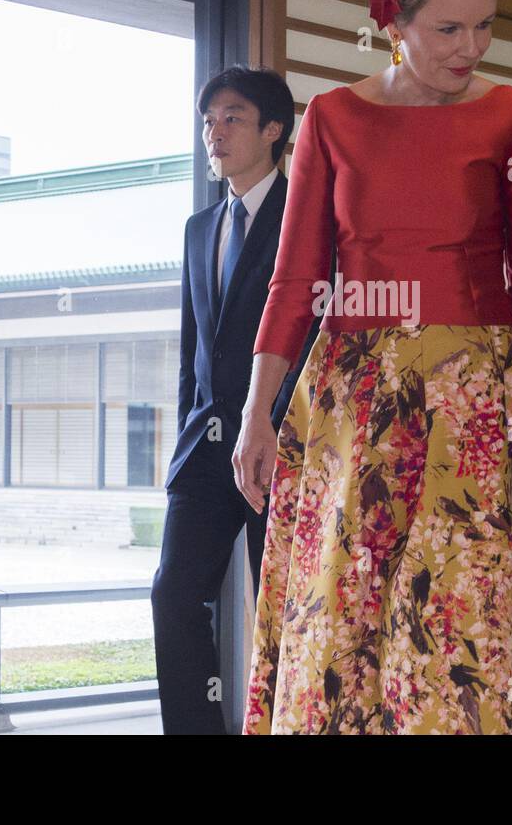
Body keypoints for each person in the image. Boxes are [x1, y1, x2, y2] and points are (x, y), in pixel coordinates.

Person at [231, 0, 512, 734]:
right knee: (339, 615)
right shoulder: (331, 119)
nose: (471, 48)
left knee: (461, 619)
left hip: (473, 404)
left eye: (485, 27)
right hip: (350, 399)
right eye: (448, 27)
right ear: (392, 21)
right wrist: (257, 413)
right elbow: (294, 281)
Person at [152, 66, 320, 735]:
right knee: (173, 593)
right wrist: (187, 438)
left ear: (274, 130)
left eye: (232, 118)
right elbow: (195, 349)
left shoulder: (306, 221)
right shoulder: (199, 227)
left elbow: (314, 338)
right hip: (206, 448)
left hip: (281, 446)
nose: (214, 133)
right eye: (208, 121)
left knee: (279, 605)